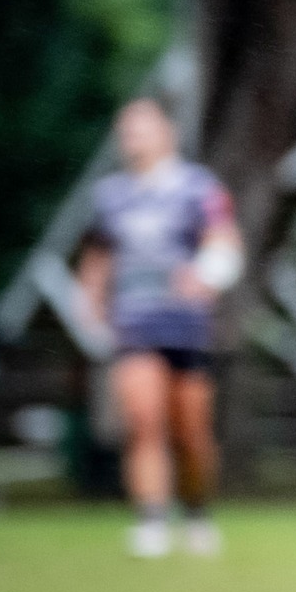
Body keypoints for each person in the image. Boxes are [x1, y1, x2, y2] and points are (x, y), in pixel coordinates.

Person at [76, 98, 242, 557]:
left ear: (167, 131)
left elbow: (224, 242)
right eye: (126, 131)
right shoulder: (111, 195)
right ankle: (151, 519)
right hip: (134, 323)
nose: (133, 139)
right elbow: (98, 255)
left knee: (190, 432)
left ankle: (197, 512)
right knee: (143, 421)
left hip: (186, 327)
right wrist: (89, 300)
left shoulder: (198, 188)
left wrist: (208, 274)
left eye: (141, 129)